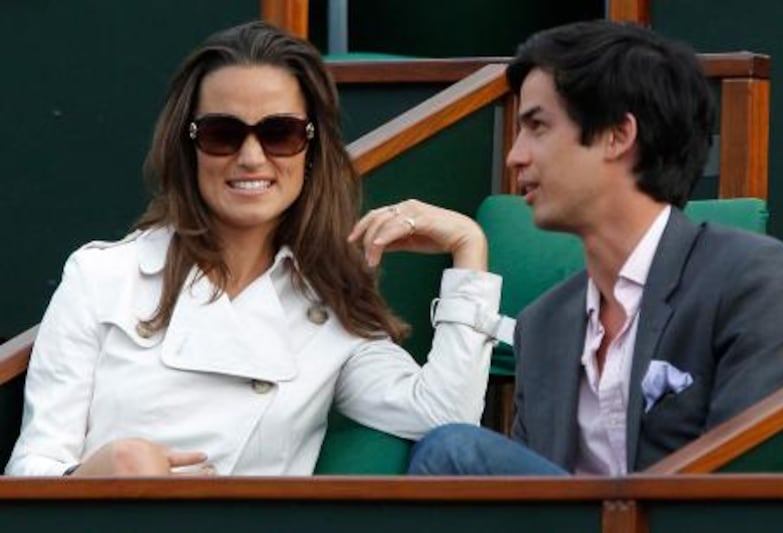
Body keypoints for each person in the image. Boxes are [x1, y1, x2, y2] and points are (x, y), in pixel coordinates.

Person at [6, 21, 504, 476]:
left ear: (311, 149)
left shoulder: (329, 307)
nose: (250, 157)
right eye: (223, 134)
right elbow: (34, 466)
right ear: (189, 146)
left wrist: (468, 248)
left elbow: (443, 416)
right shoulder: (103, 277)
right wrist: (107, 473)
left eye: (279, 133)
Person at [408, 19, 783, 476]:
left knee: (453, 451)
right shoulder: (542, 326)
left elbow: (744, 490)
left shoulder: (756, 281)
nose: (515, 155)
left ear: (618, 135)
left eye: (537, 127)